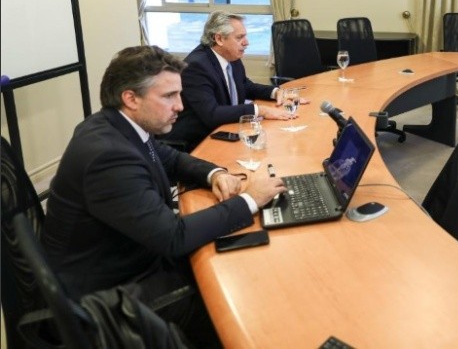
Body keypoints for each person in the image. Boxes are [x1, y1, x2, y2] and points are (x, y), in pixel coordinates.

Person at [42, 46, 288, 347]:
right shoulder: (108, 156)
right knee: (237, 302)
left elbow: (172, 159)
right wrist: (251, 199)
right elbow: (173, 237)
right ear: (131, 98)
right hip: (109, 295)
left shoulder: (118, 126)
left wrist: (216, 174)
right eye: (169, 96)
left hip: (129, 254)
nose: (181, 106)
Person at [162, 11, 306, 152]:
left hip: (225, 131)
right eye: (239, 37)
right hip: (197, 143)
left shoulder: (230, 56)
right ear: (219, 39)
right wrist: (259, 110)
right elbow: (212, 114)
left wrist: (276, 92)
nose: (246, 43)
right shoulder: (196, 66)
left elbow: (244, 86)